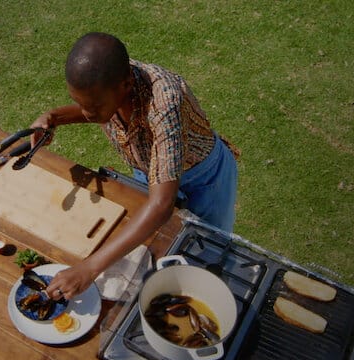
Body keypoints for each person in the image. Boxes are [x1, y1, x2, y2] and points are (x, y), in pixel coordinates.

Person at [32, 32, 238, 301]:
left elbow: (161, 205)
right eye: (81, 103)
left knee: (209, 253)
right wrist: (53, 117)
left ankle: (220, 298)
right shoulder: (107, 82)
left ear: (126, 85)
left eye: (92, 107)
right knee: (157, 249)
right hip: (150, 172)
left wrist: (89, 267)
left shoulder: (164, 102)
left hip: (204, 180)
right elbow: (93, 108)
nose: (87, 114)